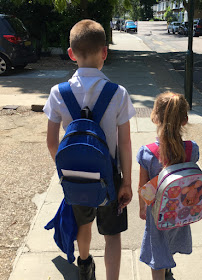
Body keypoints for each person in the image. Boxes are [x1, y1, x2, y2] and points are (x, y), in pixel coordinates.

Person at [44, 19, 136, 280]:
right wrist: (126, 182)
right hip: (109, 177)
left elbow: (52, 142)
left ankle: (84, 265)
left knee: (83, 223)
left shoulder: (57, 93)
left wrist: (65, 172)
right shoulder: (118, 93)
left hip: (75, 175)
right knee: (113, 234)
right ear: (104, 52)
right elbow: (125, 143)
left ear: (71, 54)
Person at [136, 92, 199, 280]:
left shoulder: (148, 153)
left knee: (157, 252)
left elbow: (143, 187)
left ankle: (161, 272)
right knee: (170, 241)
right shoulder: (192, 149)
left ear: (155, 117)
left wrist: (142, 208)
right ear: (185, 120)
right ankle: (168, 269)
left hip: (157, 212)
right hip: (182, 209)